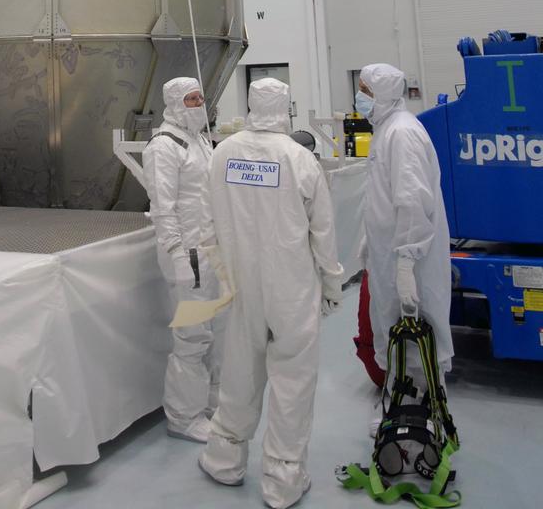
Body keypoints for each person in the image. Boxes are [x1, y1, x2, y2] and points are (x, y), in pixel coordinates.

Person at [199, 78, 343, 508]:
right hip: (291, 287)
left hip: (242, 282)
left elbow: (208, 220)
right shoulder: (298, 158)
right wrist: (332, 282)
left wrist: (220, 272)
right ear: (285, 107)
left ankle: (224, 458)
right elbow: (323, 229)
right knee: (292, 378)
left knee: (240, 369)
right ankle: (283, 478)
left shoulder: (222, 153)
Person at [357, 63, 452, 432]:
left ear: (382, 93)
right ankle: (400, 406)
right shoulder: (387, 129)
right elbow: (385, 196)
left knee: (413, 333)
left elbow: (412, 200)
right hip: (390, 252)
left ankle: (417, 418)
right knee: (394, 330)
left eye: (365, 90)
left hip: (409, 259)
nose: (360, 97)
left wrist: (406, 260)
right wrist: (370, 240)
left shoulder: (401, 133)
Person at [143, 76, 218, 442]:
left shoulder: (199, 140)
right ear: (173, 103)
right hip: (187, 255)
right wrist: (176, 253)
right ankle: (184, 417)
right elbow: (162, 206)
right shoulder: (164, 146)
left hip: (208, 251)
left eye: (201, 98)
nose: (199, 104)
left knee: (210, 332)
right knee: (191, 336)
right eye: (191, 99)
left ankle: (208, 403)